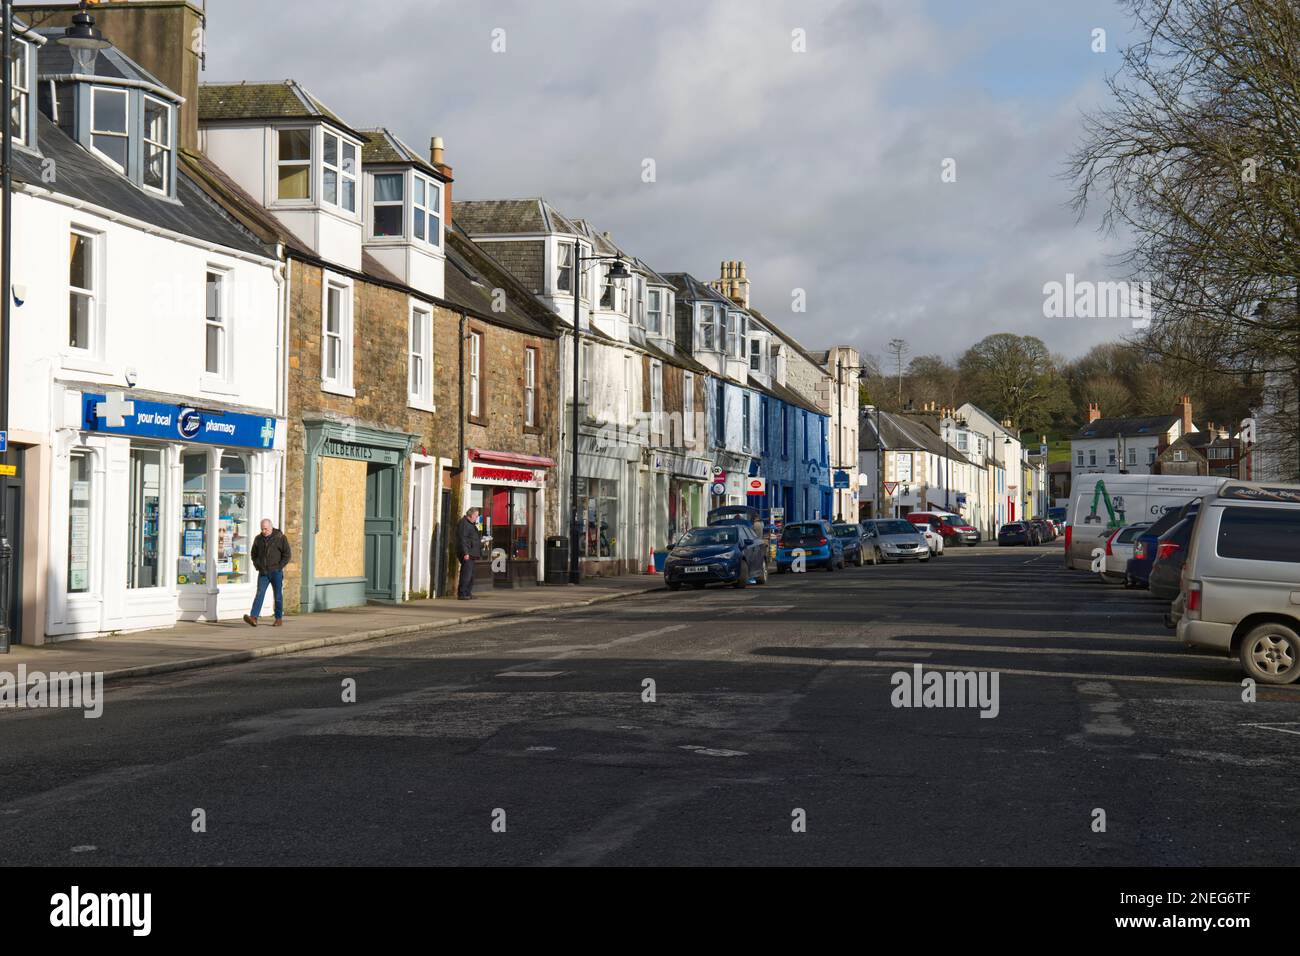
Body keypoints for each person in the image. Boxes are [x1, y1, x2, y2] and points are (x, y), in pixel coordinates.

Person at [244, 519, 291, 627]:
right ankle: (253, 617)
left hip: (276, 572)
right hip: (263, 572)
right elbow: (253, 554)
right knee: (259, 594)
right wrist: (258, 565)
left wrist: (279, 567)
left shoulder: (280, 537)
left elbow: (287, 554)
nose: (264, 531)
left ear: (271, 527)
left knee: (278, 596)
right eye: (262, 529)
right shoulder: (258, 539)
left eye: (266, 529)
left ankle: (278, 619)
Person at [456, 507, 483, 600]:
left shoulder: (470, 524)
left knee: (471, 575)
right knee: (466, 574)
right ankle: (462, 593)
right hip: (468, 553)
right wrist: (465, 553)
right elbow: (462, 539)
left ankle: (467, 592)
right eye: (476, 516)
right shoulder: (464, 524)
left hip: (472, 552)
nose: (477, 517)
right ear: (471, 515)